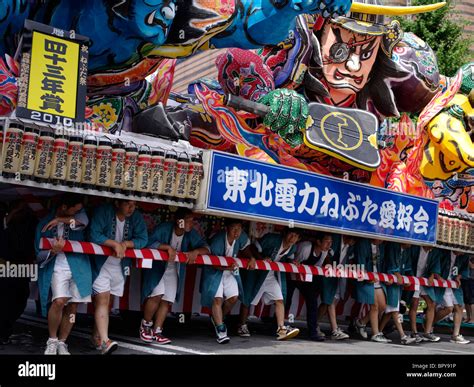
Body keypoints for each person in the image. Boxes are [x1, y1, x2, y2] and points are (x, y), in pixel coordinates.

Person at [141, 208, 210, 344]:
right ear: (180, 221)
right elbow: (148, 242)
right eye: (188, 220)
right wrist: (166, 247)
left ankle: (157, 331)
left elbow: (207, 248)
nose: (191, 223)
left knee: (167, 300)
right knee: (156, 295)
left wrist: (196, 251)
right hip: (158, 267)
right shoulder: (164, 228)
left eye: (192, 220)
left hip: (175, 270)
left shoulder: (190, 234)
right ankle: (145, 326)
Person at [89, 200, 148, 354]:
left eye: (134, 205)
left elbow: (143, 239)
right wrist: (114, 244)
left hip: (120, 266)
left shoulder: (135, 217)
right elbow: (94, 234)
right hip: (101, 264)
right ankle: (105, 341)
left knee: (107, 303)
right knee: (102, 299)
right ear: (117, 202)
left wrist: (126, 244)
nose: (131, 208)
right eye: (127, 204)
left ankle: (96, 336)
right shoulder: (104, 211)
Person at [35, 194, 91, 355]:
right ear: (65, 207)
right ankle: (52, 340)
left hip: (79, 266)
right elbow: (38, 253)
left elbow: (82, 222)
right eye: (75, 210)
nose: (78, 213)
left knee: (73, 306)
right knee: (59, 301)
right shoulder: (44, 223)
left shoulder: (76, 219)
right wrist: (52, 251)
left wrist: (60, 220)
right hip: (56, 266)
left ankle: (63, 341)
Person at [238, 228, 301, 341]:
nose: (293, 238)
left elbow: (289, 259)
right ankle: (242, 325)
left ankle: (281, 329)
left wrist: (293, 262)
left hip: (271, 275)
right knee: (247, 299)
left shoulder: (293, 247)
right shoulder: (271, 238)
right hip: (256, 273)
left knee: (279, 299)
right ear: (285, 234)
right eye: (291, 234)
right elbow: (252, 247)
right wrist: (262, 258)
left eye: (296, 236)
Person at [200, 218, 254, 344]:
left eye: (239, 228)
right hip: (215, 271)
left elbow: (245, 247)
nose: (237, 232)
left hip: (229, 272)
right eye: (234, 228)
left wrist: (251, 257)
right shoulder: (218, 240)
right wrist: (227, 267)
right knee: (217, 299)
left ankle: (218, 318)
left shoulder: (241, 236)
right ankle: (221, 330)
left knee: (233, 298)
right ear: (227, 228)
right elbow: (213, 263)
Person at [0, 200, 37, 345]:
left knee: (21, 298)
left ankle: (6, 328)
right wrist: (14, 212)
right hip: (5, 266)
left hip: (23, 265)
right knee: (4, 300)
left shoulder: (31, 221)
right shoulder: (6, 221)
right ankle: (3, 332)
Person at [288, 232, 334, 341]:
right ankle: (278, 326)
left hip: (306, 278)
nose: (329, 245)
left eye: (331, 242)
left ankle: (313, 332)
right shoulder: (306, 247)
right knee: (287, 300)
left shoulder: (324, 252)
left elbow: (316, 268)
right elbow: (293, 261)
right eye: (327, 242)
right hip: (291, 275)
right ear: (318, 242)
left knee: (312, 302)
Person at [317, 233, 356, 340]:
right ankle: (334, 330)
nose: (354, 242)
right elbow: (327, 255)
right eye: (354, 239)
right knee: (329, 300)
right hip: (327, 273)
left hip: (338, 275)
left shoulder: (350, 246)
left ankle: (314, 324)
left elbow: (349, 261)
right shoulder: (335, 238)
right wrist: (332, 268)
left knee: (327, 302)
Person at [353, 239, 391, 343]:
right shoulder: (363, 244)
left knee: (383, 306)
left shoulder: (381, 247)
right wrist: (366, 276)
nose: (382, 240)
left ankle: (361, 322)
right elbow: (360, 263)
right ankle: (375, 333)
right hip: (366, 278)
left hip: (377, 278)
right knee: (374, 306)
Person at [378, 243, 416, 345]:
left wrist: (409, 278)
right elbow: (391, 265)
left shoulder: (406, 251)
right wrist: (397, 274)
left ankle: (378, 332)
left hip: (398, 284)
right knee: (394, 310)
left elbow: (408, 268)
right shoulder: (393, 247)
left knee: (390, 311)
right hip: (390, 282)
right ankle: (403, 336)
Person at [403, 246, 442, 343]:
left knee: (431, 304)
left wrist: (432, 275)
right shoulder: (414, 248)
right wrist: (411, 277)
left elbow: (435, 266)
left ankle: (427, 332)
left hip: (425, 280)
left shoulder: (434, 251)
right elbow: (408, 263)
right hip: (414, 278)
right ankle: (414, 332)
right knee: (414, 305)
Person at [434, 250, 470, 344]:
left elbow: (464, 270)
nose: (462, 253)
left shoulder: (464, 256)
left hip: (454, 284)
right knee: (449, 308)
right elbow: (435, 266)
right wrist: (438, 276)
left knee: (459, 307)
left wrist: (459, 276)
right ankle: (429, 323)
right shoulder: (443, 252)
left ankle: (455, 335)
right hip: (443, 283)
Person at [461, 256, 474, 323]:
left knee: (471, 300)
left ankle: (472, 318)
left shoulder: (469, 257)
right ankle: (468, 317)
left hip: (472, 279)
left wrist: (467, 260)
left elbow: (472, 266)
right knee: (466, 300)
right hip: (465, 279)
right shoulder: (467, 255)